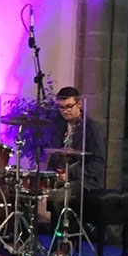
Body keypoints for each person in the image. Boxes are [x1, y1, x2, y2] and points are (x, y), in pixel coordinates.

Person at [46, 86, 106, 247]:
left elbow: (99, 162)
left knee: (60, 198)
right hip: (62, 176)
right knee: (27, 192)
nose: (64, 111)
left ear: (79, 104)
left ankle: (69, 240)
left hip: (85, 180)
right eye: (61, 108)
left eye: (68, 106)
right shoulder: (60, 125)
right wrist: (50, 174)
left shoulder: (92, 128)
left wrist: (71, 175)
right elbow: (55, 154)